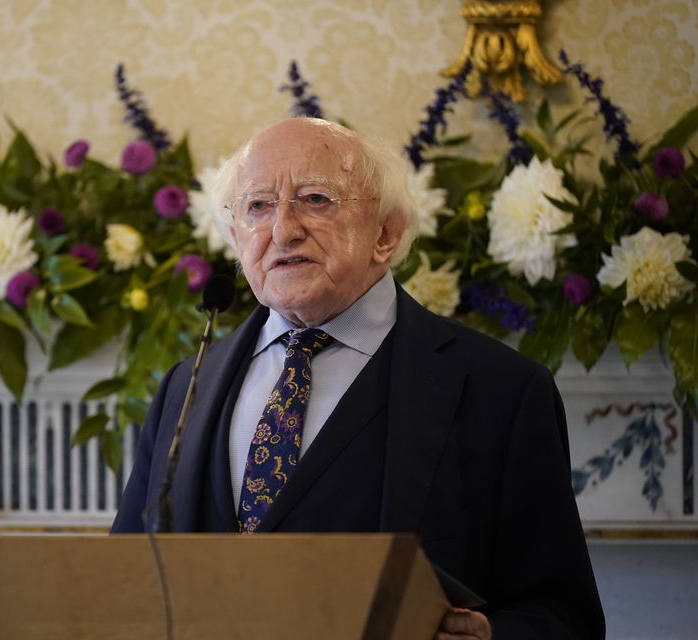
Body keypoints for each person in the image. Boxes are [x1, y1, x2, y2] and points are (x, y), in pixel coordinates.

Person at [112, 118, 605, 639]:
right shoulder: (184, 388)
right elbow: (123, 584)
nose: (283, 230)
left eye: (316, 199)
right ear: (236, 235)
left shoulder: (501, 390)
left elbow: (564, 615)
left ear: (387, 234)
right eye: (257, 206)